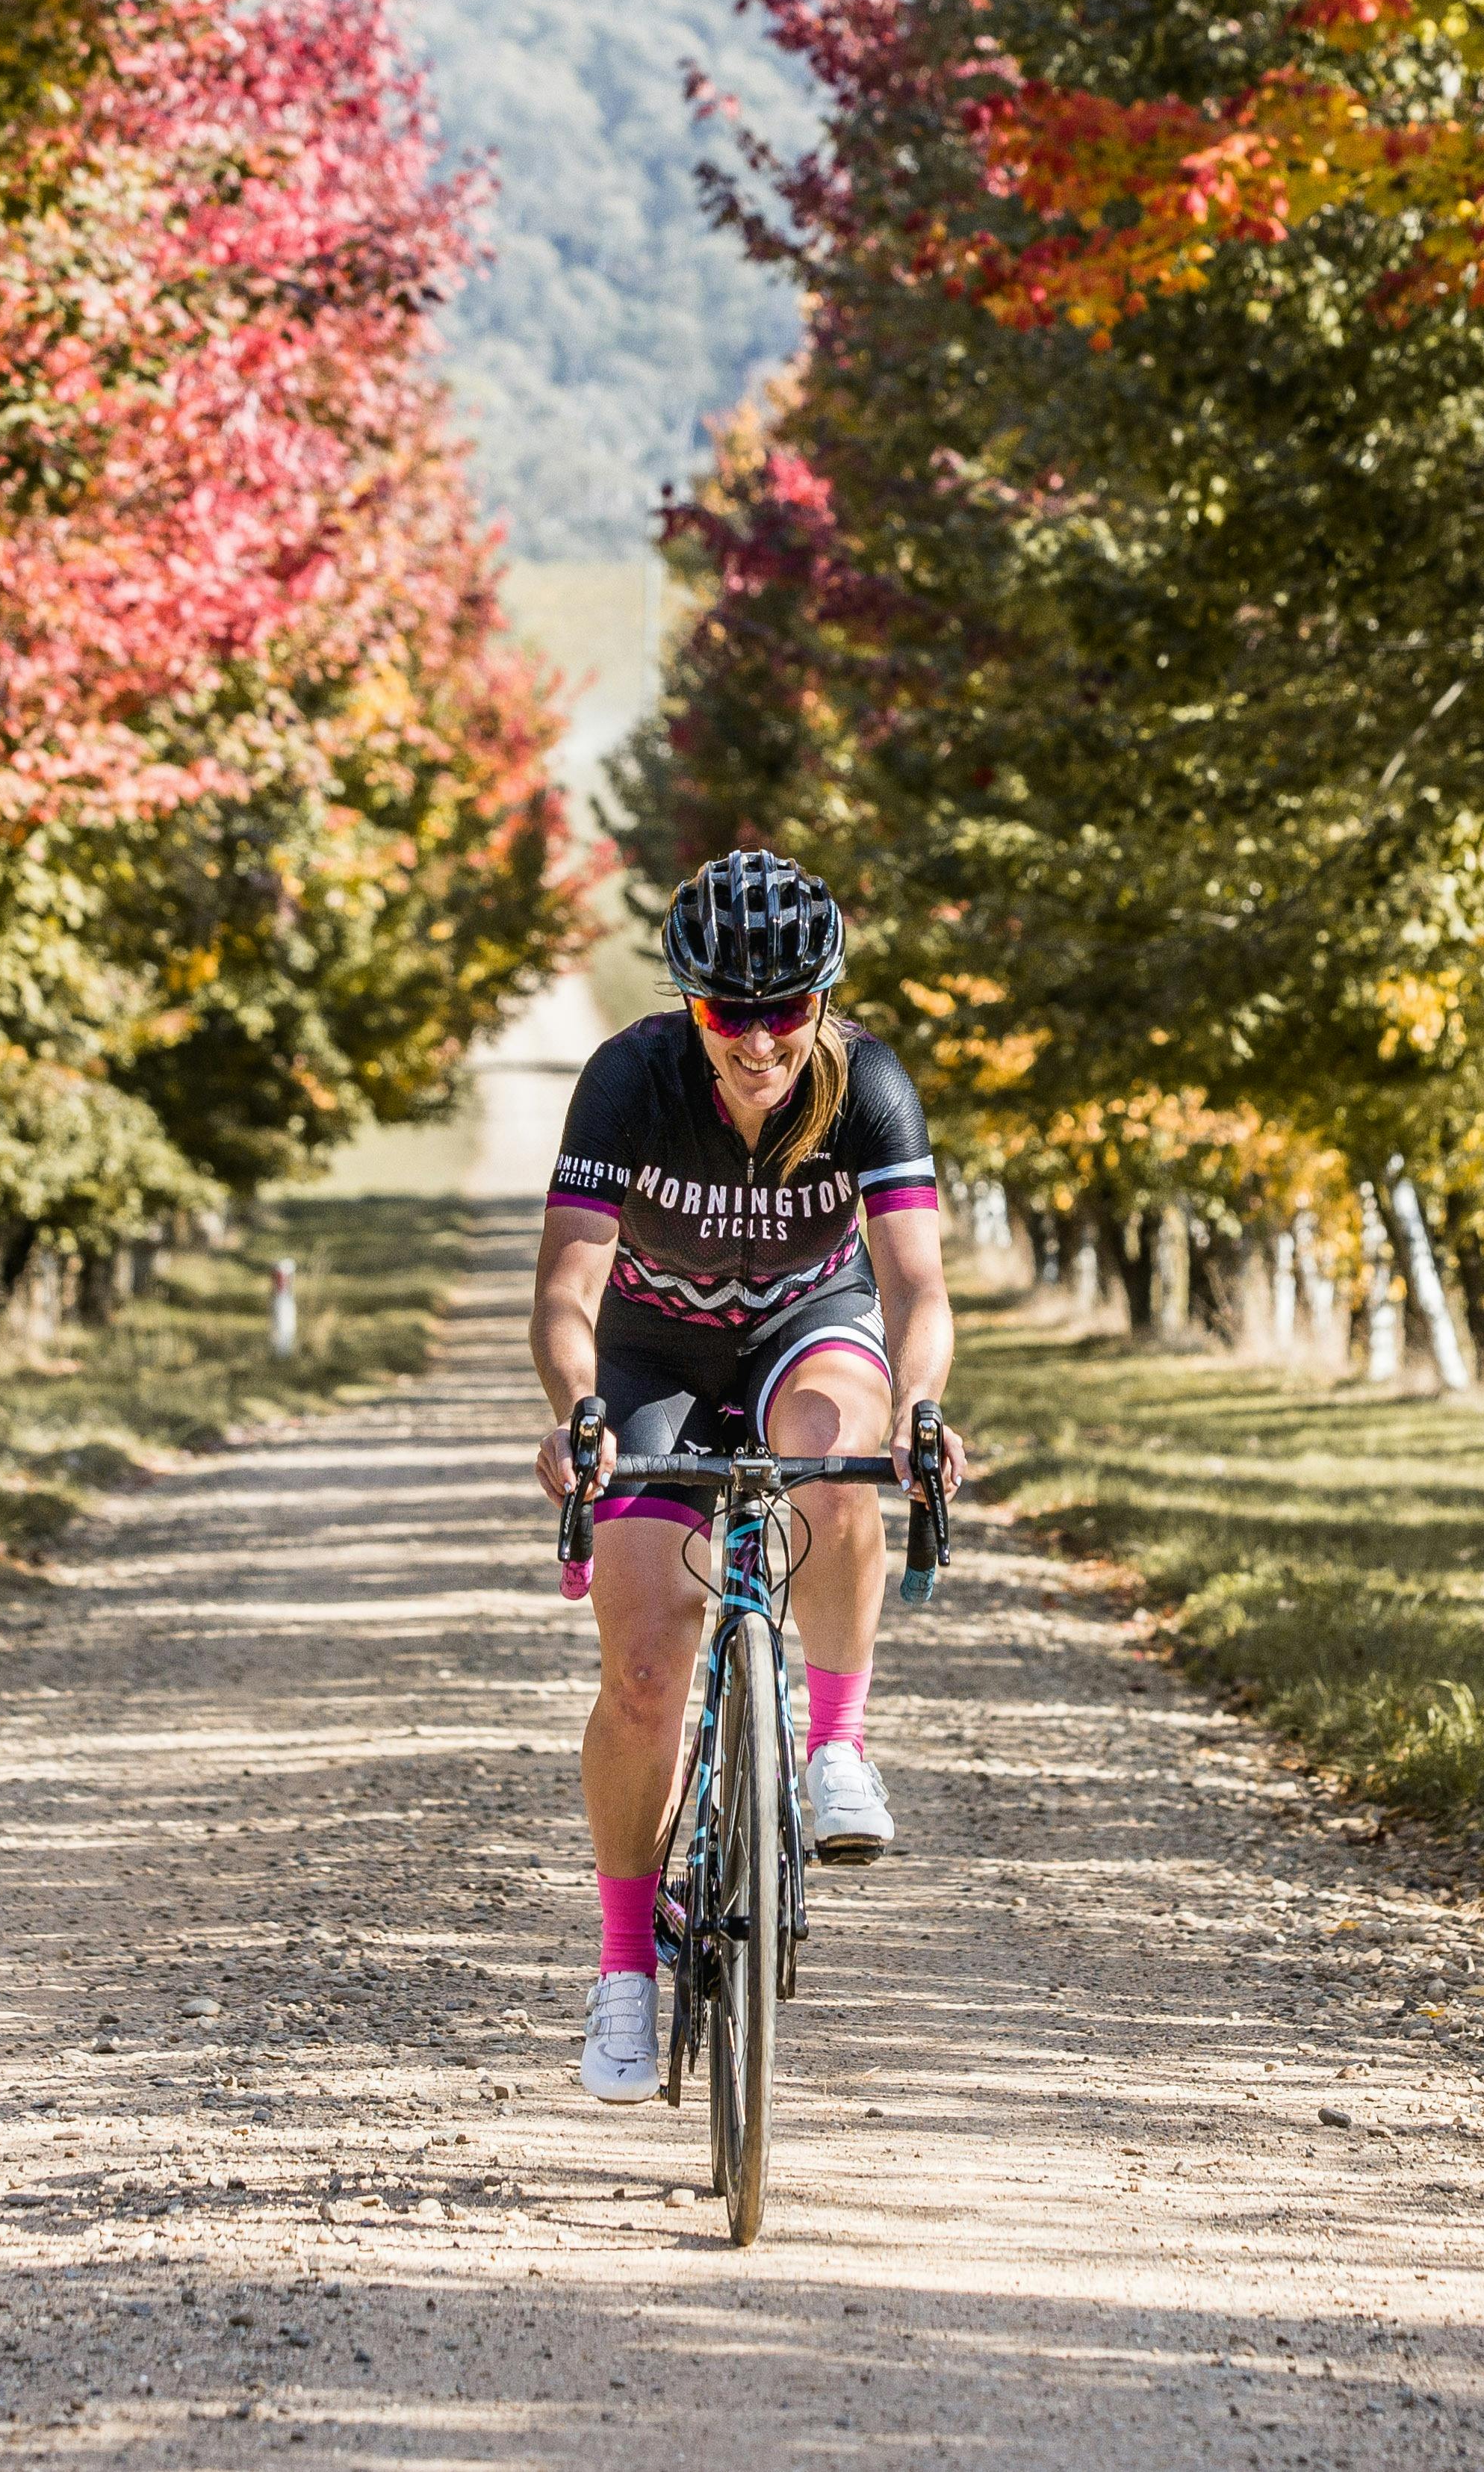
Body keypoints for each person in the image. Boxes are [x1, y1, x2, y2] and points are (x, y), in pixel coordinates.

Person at [531, 845, 963, 2102]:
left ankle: (836, 1745)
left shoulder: (868, 1082)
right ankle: (624, 1967)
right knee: (649, 1663)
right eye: (732, 1011)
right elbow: (565, 1286)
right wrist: (581, 1411)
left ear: (821, 1000)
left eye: (787, 1008)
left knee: (838, 1453)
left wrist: (922, 1401)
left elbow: (915, 1285)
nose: (762, 1038)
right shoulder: (629, 1080)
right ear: (691, 1004)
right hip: (651, 1347)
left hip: (805, 1327)